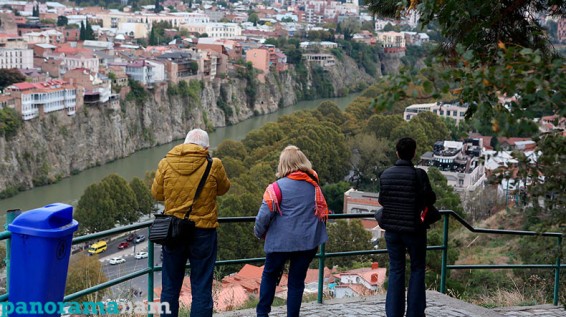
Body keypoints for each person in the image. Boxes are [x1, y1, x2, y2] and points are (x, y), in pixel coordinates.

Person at [151, 128, 231, 317]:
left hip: (174, 231)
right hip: (203, 232)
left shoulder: (166, 162)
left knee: (170, 286)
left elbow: (157, 194)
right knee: (202, 285)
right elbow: (223, 189)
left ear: (184, 143)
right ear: (206, 147)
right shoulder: (214, 164)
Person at [254, 145, 329, 317]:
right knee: (296, 281)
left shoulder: (275, 188)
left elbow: (263, 216)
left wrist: (258, 233)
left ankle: (262, 313)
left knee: (270, 276)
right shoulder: (314, 186)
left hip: (280, 243)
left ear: (283, 164)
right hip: (307, 243)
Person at [378, 137, 436, 317]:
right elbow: (430, 198)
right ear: (414, 153)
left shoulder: (386, 174)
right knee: (417, 269)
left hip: (392, 230)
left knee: (396, 269)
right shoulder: (419, 174)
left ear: (397, 152)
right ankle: (415, 313)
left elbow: (382, 200)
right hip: (414, 229)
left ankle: (393, 313)